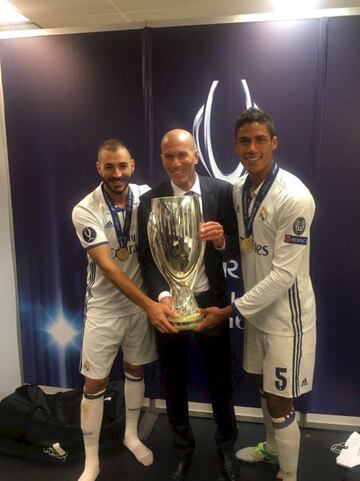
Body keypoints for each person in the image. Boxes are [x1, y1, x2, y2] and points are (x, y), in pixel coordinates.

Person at [195, 108, 317, 481]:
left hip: (286, 319)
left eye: (260, 139)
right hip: (258, 315)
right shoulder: (239, 191)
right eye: (245, 141)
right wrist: (221, 241)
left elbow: (283, 275)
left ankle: (289, 474)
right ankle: (271, 449)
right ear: (235, 146)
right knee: (266, 391)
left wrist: (229, 309)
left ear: (274, 143)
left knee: (281, 398)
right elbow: (245, 245)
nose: (252, 148)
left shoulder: (294, 196)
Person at [138, 129, 239, 481]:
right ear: (162, 159)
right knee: (173, 381)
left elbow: (240, 245)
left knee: (220, 381)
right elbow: (146, 259)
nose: (176, 162)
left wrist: (222, 238)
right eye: (168, 156)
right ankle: (182, 452)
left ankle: (227, 449)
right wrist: (163, 298)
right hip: (169, 306)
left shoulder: (222, 192)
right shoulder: (150, 200)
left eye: (182, 155)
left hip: (211, 302)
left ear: (195, 155)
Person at [72, 139, 174, 481]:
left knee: (135, 371)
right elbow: (109, 267)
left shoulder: (147, 196)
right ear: (98, 168)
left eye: (122, 166)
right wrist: (151, 305)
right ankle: (91, 461)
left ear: (132, 164)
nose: (117, 174)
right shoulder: (85, 209)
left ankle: (131, 435)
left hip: (138, 310)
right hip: (104, 309)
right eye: (109, 167)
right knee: (94, 384)